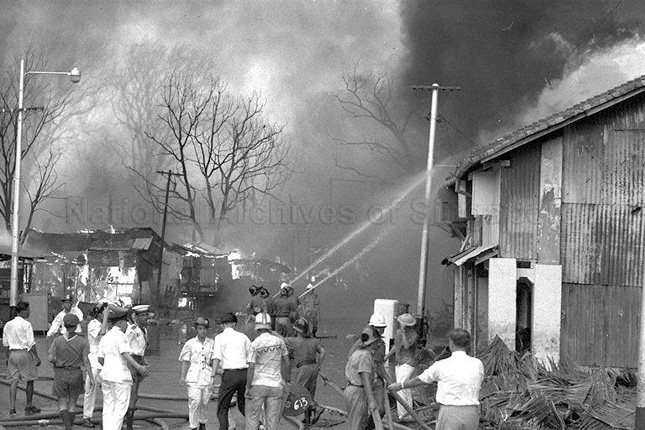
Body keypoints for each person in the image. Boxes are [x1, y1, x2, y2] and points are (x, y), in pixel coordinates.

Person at [388, 329, 484, 430]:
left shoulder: (441, 365)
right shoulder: (478, 364)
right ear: (468, 344)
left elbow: (420, 380)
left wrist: (400, 385)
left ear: (451, 343)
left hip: (449, 412)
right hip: (472, 413)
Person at [97, 309, 149, 430]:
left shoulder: (106, 337)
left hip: (106, 376)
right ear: (120, 322)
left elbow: (100, 359)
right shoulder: (121, 335)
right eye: (126, 322)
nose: (127, 325)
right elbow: (125, 353)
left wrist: (110, 366)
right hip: (120, 377)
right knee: (120, 409)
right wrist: (139, 367)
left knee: (108, 407)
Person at [245, 312, 290, 430]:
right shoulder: (279, 341)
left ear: (257, 328)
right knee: (272, 423)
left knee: (252, 420)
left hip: (258, 386)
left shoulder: (254, 344)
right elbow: (287, 363)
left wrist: (247, 387)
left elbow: (251, 367)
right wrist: (286, 381)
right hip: (276, 386)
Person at [48, 313, 93, 430]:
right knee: (72, 404)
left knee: (62, 404)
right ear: (76, 325)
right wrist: (91, 377)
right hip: (76, 374)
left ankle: (68, 428)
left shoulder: (57, 340)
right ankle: (69, 427)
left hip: (60, 374)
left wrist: (57, 361)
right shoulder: (83, 341)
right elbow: (86, 361)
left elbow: (50, 358)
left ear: (64, 325)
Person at [212, 312, 254, 430]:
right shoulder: (243, 337)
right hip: (244, 374)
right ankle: (260, 425)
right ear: (234, 324)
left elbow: (216, 358)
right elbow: (252, 357)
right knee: (243, 405)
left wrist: (212, 377)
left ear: (221, 325)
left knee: (222, 408)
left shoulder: (219, 338)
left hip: (230, 375)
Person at [283, 318, 326, 425]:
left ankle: (315, 407)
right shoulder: (314, 341)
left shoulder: (294, 341)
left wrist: (271, 332)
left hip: (303, 368)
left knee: (299, 393)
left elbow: (280, 339)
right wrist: (319, 364)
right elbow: (323, 352)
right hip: (314, 367)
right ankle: (307, 418)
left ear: (297, 330)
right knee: (310, 392)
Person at [3, 301, 41, 415]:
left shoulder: (8, 324)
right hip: (24, 353)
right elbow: (31, 343)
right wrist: (36, 357)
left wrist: (7, 357)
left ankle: (12, 407)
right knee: (30, 379)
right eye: (28, 310)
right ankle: (28, 405)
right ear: (23, 311)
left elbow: (5, 343)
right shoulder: (27, 324)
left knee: (14, 381)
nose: (29, 312)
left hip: (12, 354)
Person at [179, 317, 214, 430]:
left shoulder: (212, 343)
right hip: (194, 374)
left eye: (204, 329)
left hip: (207, 374)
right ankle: (193, 425)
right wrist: (182, 377)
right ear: (196, 329)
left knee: (204, 401)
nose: (203, 331)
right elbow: (185, 360)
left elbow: (215, 361)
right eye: (200, 328)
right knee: (195, 400)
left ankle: (202, 422)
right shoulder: (190, 343)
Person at [384, 312, 418, 421]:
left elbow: (407, 346)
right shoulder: (398, 332)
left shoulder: (413, 335)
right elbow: (396, 346)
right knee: (404, 388)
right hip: (399, 362)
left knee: (401, 387)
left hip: (408, 362)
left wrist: (403, 333)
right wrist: (387, 356)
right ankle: (407, 413)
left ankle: (403, 415)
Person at [344, 326, 380, 430]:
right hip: (358, 392)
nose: (378, 344)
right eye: (377, 341)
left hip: (351, 390)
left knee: (355, 423)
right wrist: (371, 400)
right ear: (373, 342)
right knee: (358, 425)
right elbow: (365, 378)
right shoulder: (365, 356)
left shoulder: (357, 352)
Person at [82, 302, 109, 428]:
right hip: (94, 360)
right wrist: (105, 317)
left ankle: (107, 417)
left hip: (105, 359)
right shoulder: (93, 324)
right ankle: (86, 417)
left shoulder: (106, 324)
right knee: (90, 388)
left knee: (108, 389)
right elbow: (102, 332)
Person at [124, 305, 150, 430]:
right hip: (132, 363)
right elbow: (125, 348)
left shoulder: (144, 330)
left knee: (135, 394)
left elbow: (141, 349)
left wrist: (144, 362)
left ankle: (128, 422)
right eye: (143, 316)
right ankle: (127, 424)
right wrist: (134, 365)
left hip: (139, 361)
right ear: (136, 317)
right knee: (130, 393)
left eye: (146, 315)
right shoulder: (132, 329)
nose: (146, 318)